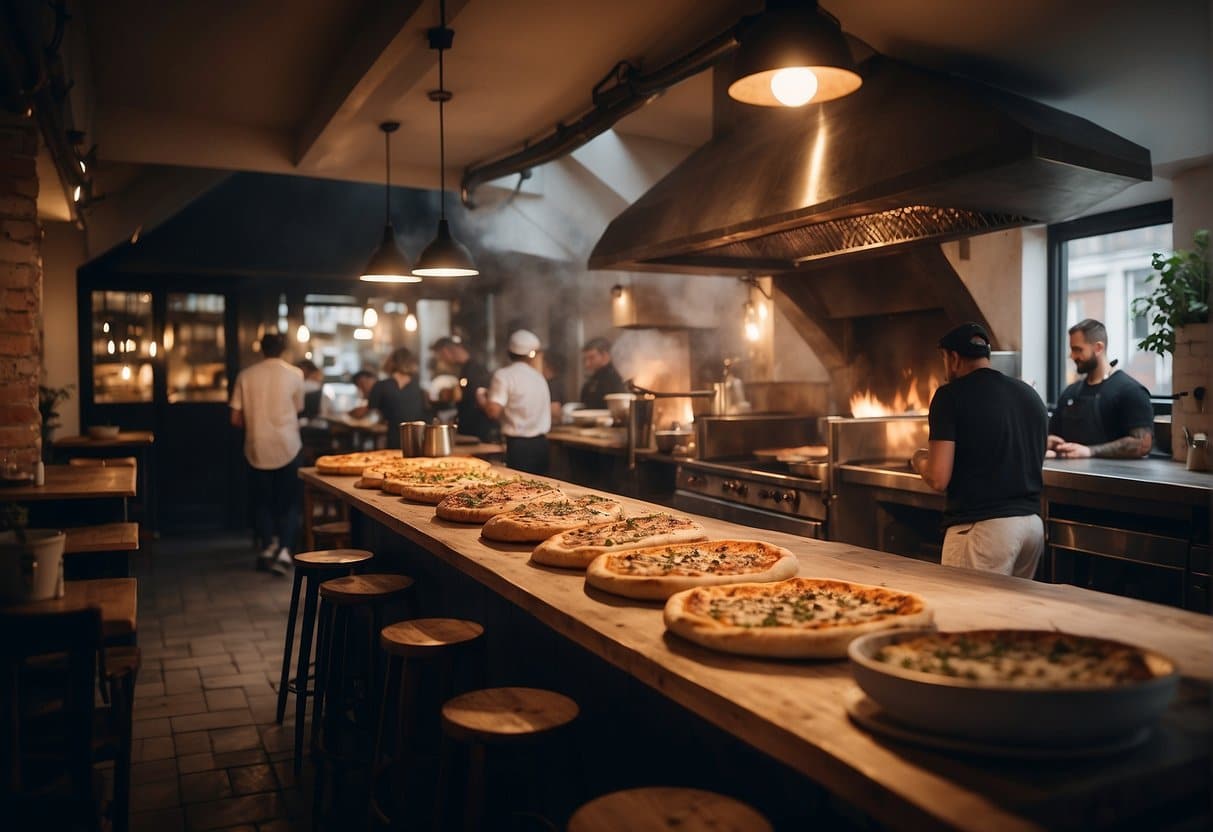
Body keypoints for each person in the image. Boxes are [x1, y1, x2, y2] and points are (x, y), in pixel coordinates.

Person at [910, 323, 1048, 578]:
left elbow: (939, 478)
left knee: (965, 615)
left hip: (982, 530)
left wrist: (918, 459)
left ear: (953, 357)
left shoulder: (949, 396)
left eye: (943, 358)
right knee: (1011, 615)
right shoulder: (1029, 394)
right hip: (1032, 526)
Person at [230, 331, 304, 574]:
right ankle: (285, 551)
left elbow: (235, 418)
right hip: (288, 445)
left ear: (261, 349)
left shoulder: (246, 375)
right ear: (283, 349)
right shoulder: (295, 374)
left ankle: (267, 547)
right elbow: (298, 408)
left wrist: (256, 420)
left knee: (262, 501)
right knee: (290, 501)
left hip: (257, 445)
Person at [1048, 318, 1153, 459]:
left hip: (1112, 479)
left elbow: (1142, 444)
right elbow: (1054, 433)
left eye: (1077, 350)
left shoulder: (1130, 391)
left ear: (1098, 348)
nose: (1072, 356)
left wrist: (1090, 451)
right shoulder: (1070, 393)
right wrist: (1049, 442)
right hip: (1069, 476)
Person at [478, 329, 551, 474]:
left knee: (519, 490)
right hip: (542, 446)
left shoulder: (504, 375)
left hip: (520, 447)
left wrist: (481, 398)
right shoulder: (539, 377)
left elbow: (493, 411)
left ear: (509, 352)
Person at [351, 347, 428, 449]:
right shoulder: (419, 389)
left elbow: (367, 413)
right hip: (417, 441)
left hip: (393, 440)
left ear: (391, 362)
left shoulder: (381, 386)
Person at [431, 335, 494, 441]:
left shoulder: (474, 369)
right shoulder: (466, 368)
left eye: (441, 356)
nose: (442, 360)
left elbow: (468, 397)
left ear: (446, 351)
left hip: (476, 430)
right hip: (470, 427)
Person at [579, 336, 627, 409]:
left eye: (591, 358)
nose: (587, 364)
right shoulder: (593, 379)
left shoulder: (615, 377)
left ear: (605, 356)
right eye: (585, 359)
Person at [541, 350, 567, 425]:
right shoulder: (549, 383)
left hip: (553, 428)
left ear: (546, 365)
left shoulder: (553, 385)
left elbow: (555, 411)